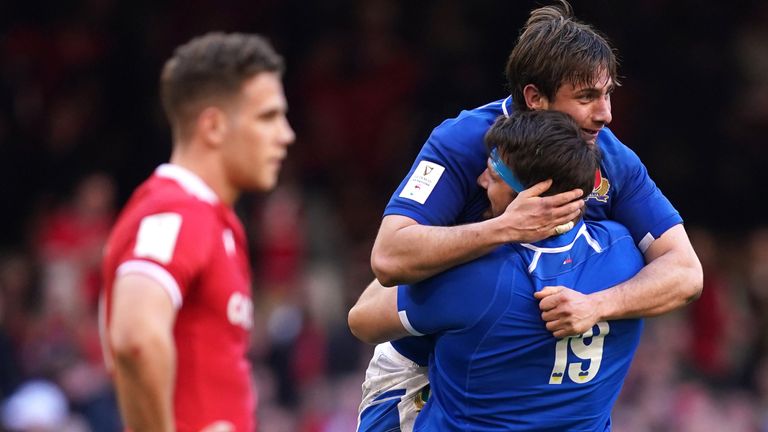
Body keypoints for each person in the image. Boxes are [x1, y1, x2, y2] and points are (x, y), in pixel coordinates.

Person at [356, 1, 701, 430]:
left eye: (608, 93)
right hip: (424, 360)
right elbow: (388, 259)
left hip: (531, 361)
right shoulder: (462, 143)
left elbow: (686, 271)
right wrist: (501, 228)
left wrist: (598, 305)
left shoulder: (611, 156)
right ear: (535, 98)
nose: (606, 113)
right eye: (587, 97)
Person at [350, 109, 646, 430]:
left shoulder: (477, 277)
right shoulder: (625, 254)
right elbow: (683, 276)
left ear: (531, 195)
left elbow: (363, 319)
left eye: (494, 172)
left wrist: (474, 234)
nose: (480, 180)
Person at [100, 32, 295, 432]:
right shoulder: (177, 210)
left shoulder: (212, 219)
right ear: (213, 126)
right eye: (268, 117)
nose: (286, 134)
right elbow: (135, 336)